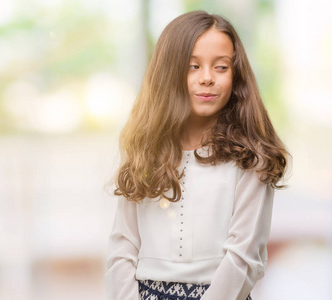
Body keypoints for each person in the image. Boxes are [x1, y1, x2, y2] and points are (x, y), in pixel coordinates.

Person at [105, 10, 290, 300]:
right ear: (169, 72)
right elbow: (122, 249)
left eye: (221, 67)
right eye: (193, 66)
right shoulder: (145, 153)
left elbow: (244, 258)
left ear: (236, 75)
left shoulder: (252, 159)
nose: (207, 78)